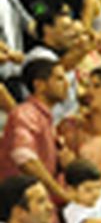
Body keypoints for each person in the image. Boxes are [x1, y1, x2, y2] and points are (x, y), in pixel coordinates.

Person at [0, 57, 71, 202]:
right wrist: (60, 193)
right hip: (20, 207)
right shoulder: (26, 114)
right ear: (39, 85)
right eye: (59, 79)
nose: (67, 84)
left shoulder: (45, 118)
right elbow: (25, 158)